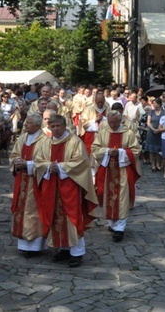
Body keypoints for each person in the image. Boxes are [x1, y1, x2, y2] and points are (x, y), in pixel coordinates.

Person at [35, 114, 98, 268]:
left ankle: (77, 252)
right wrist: (49, 166)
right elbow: (38, 161)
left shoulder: (75, 142)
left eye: (58, 126)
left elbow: (81, 163)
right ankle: (63, 248)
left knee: (72, 218)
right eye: (53, 126)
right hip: (52, 186)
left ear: (64, 126)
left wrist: (61, 167)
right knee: (56, 217)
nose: (55, 129)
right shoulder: (45, 143)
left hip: (70, 186)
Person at [92, 111, 141, 240]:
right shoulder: (103, 132)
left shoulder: (128, 133)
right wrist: (108, 151)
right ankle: (113, 225)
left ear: (120, 121)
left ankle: (120, 228)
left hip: (123, 171)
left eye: (115, 122)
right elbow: (95, 148)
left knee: (122, 199)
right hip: (107, 171)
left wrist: (119, 152)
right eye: (110, 122)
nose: (112, 125)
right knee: (107, 196)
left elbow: (136, 150)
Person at [10, 114, 48, 257]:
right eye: (25, 123)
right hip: (22, 179)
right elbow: (13, 155)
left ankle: (35, 245)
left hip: (35, 182)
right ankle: (23, 244)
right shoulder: (23, 138)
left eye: (28, 123)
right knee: (21, 209)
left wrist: (29, 165)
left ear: (37, 126)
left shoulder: (45, 141)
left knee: (33, 211)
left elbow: (46, 162)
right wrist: (17, 162)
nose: (25, 125)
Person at [144, 100, 164, 172]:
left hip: (160, 132)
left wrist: (158, 130)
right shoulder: (151, 112)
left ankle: (158, 164)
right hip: (151, 132)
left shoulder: (163, 112)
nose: (153, 105)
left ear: (159, 104)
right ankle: (153, 165)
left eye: (154, 103)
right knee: (151, 150)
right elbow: (148, 122)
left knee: (158, 150)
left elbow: (163, 121)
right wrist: (153, 129)